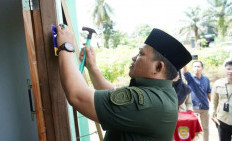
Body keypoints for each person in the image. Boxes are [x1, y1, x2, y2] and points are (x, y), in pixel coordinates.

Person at [56, 24, 192, 141]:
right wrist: (92, 67)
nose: (134, 58)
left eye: (140, 54)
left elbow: (78, 96)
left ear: (158, 67)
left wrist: (66, 46)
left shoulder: (149, 102)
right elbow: (115, 95)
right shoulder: (160, 93)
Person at [183, 61, 211, 141]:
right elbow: (185, 71)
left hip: (204, 107)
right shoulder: (190, 78)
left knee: (205, 128)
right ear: (192, 68)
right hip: (193, 107)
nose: (196, 68)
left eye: (198, 66)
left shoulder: (206, 79)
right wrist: (183, 61)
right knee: (193, 128)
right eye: (195, 66)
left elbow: (208, 91)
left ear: (202, 68)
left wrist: (211, 102)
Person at [211, 58, 232, 141]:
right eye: (228, 69)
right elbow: (214, 101)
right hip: (222, 120)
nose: (230, 71)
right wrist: (213, 114)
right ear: (225, 70)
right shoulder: (218, 83)